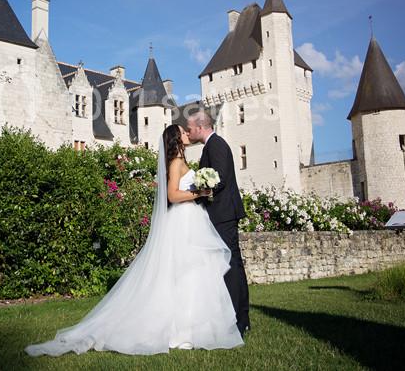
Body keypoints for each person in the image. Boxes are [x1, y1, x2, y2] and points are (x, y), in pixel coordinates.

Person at [25, 124, 243, 356]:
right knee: (183, 272)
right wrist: (199, 193)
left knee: (191, 273)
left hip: (191, 219)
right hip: (183, 220)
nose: (188, 134)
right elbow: (172, 195)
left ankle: (191, 329)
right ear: (176, 139)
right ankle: (181, 332)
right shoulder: (176, 163)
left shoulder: (182, 161)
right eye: (183, 132)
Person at [186, 109, 251, 336]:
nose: (188, 131)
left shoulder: (216, 145)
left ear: (201, 127)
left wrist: (199, 190)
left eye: (190, 128)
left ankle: (239, 319)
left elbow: (220, 178)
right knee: (232, 265)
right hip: (222, 212)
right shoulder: (212, 145)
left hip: (223, 213)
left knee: (231, 266)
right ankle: (240, 316)